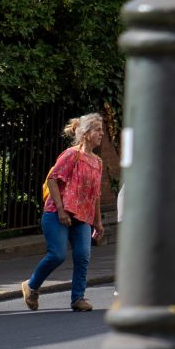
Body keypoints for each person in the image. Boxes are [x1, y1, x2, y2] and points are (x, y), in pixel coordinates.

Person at [22, 114, 110, 312]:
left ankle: (78, 298)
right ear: (86, 133)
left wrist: (98, 222)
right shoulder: (72, 155)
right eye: (98, 129)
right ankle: (31, 286)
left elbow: (95, 195)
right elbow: (53, 179)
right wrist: (61, 210)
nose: (101, 133)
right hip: (57, 214)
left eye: (102, 130)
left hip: (82, 218)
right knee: (58, 254)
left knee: (83, 255)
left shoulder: (98, 162)